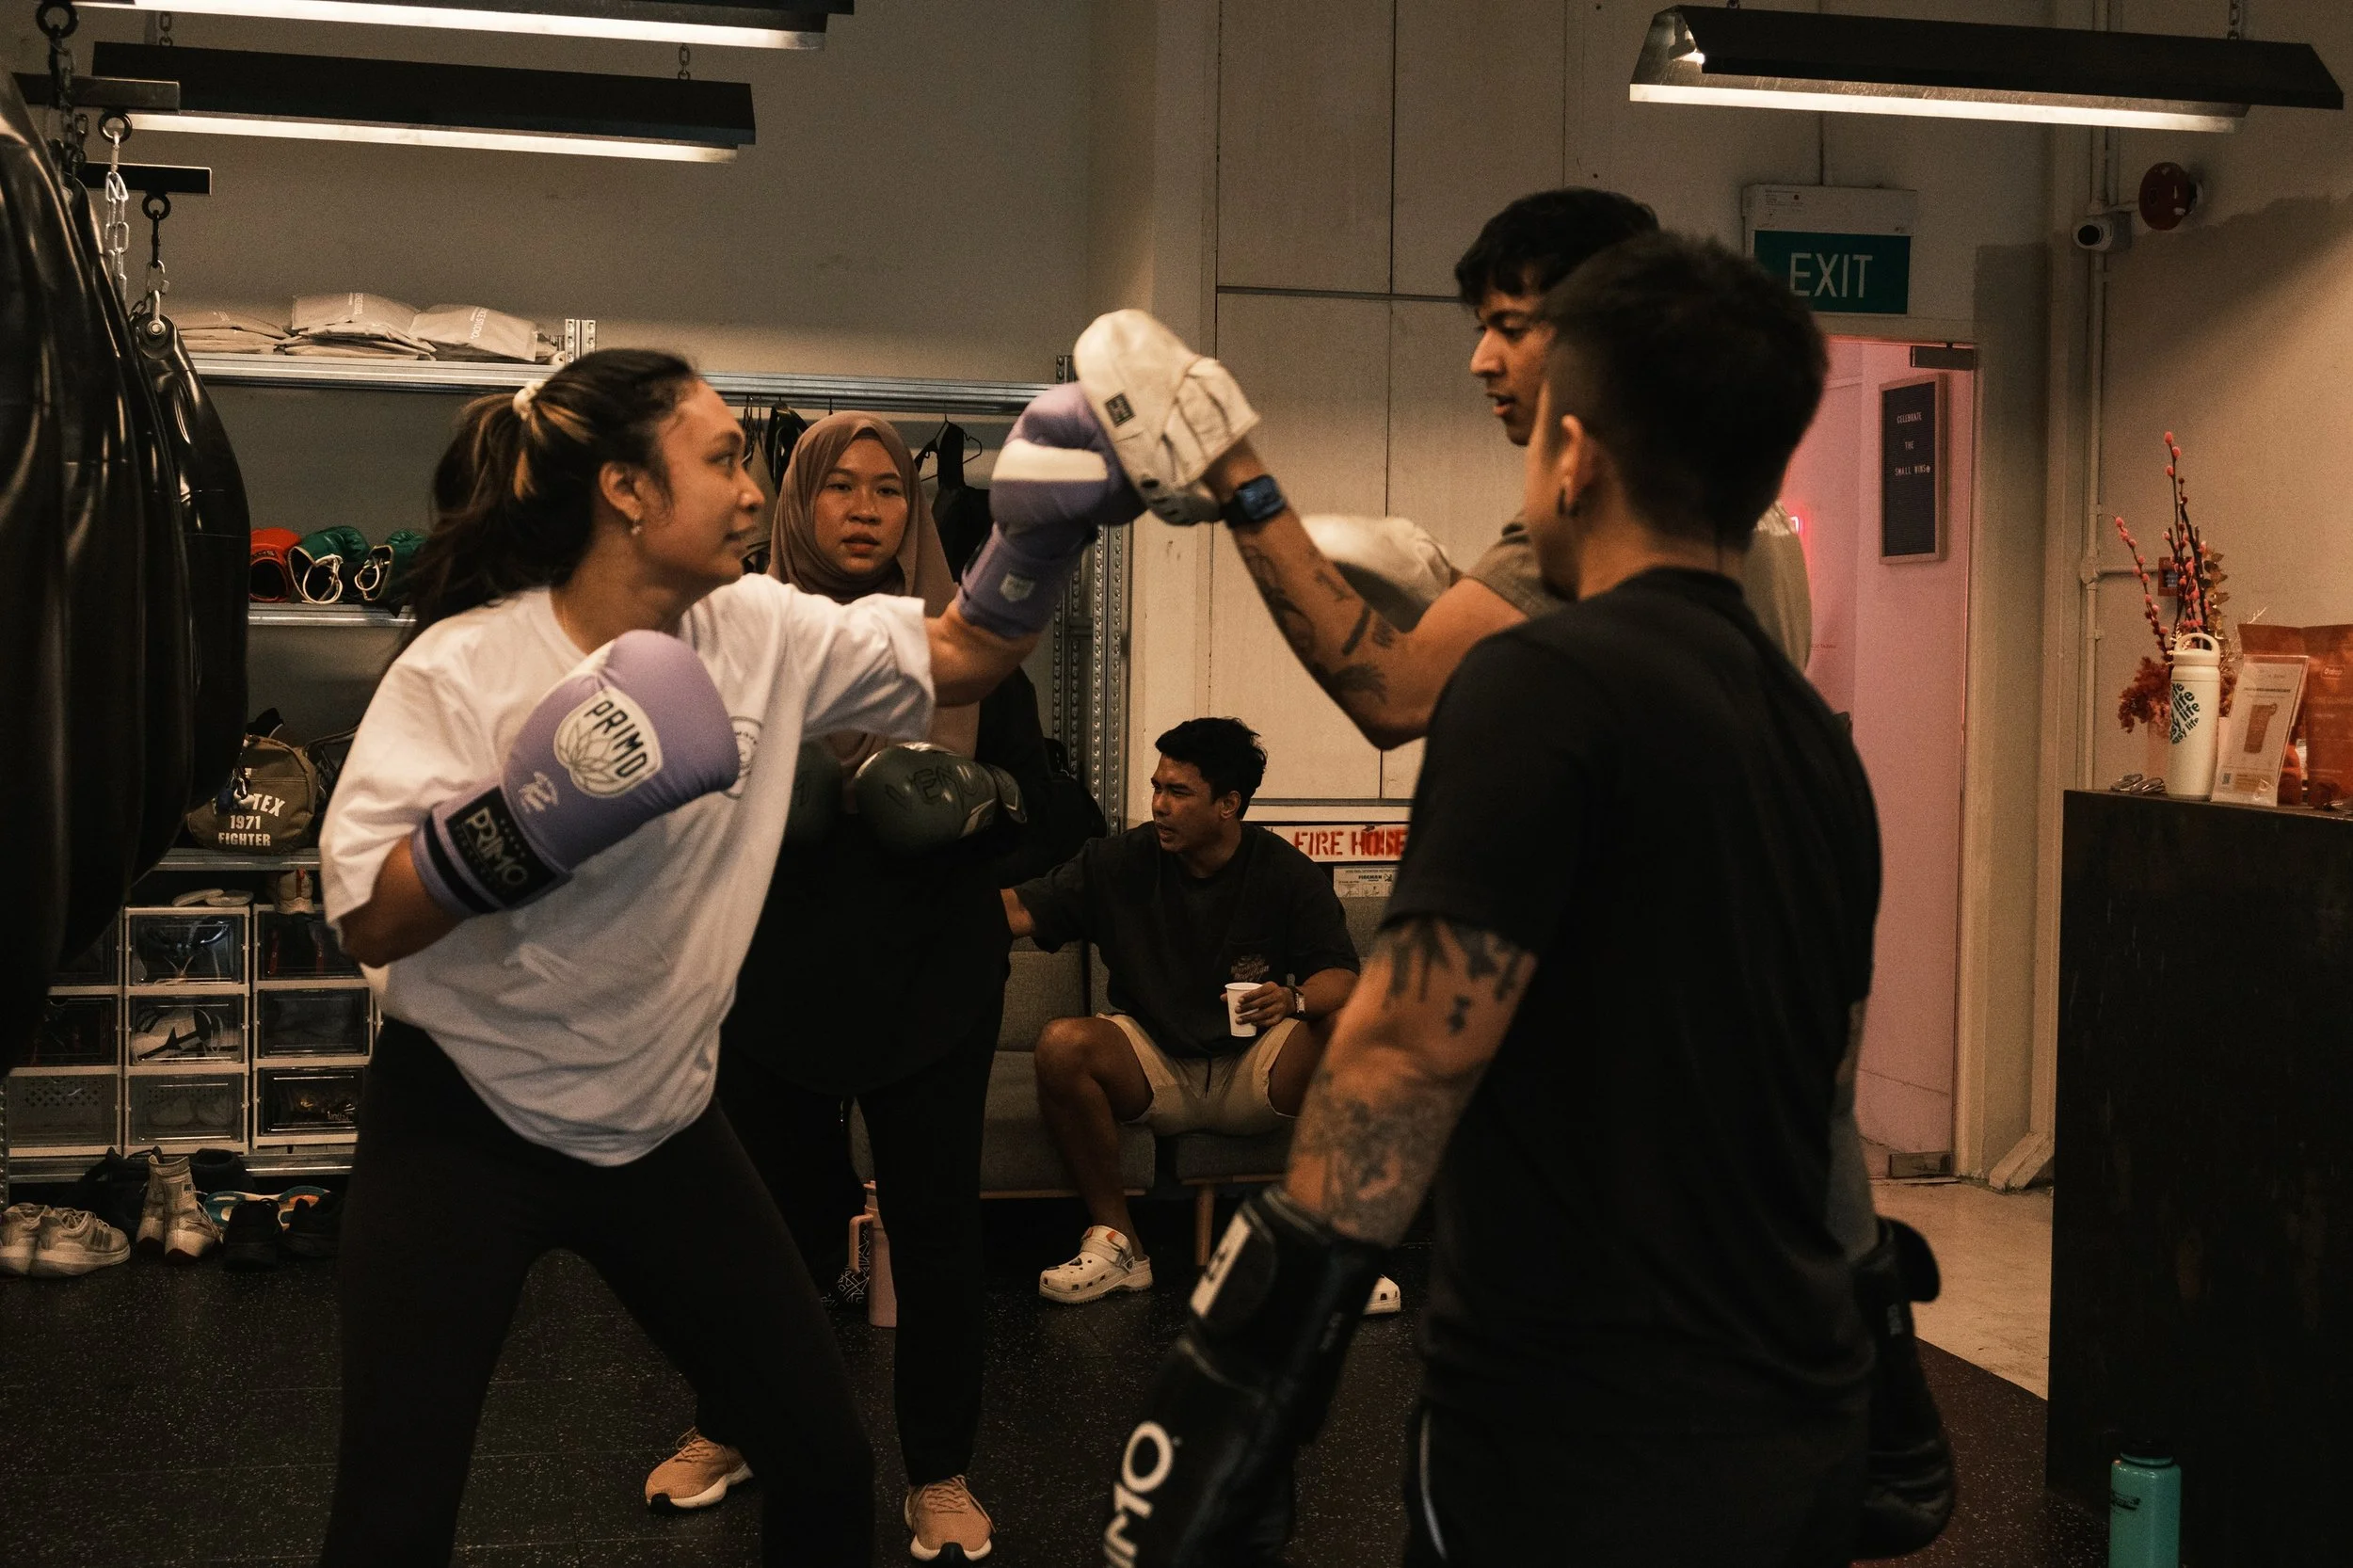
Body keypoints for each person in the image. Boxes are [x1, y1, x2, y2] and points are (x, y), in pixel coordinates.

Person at [1096, 232, 1891, 1567]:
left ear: (1574, 456)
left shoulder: (1543, 690)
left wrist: (1243, 1382)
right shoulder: (1819, 745)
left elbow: (1404, 1059)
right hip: (1787, 1413)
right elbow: (1820, 1085)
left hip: (1574, 1424)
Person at [316, 350, 1139, 1566]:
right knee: (394, 1509)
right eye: (723, 459)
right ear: (627, 492)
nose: (755, 491)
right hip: (465, 1122)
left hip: (658, 1118)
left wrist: (1042, 535)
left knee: (822, 1458)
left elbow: (964, 653)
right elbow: (366, 919)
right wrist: (526, 820)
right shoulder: (469, 664)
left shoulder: (760, 628)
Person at [640, 412, 1078, 1564]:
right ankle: (729, 1424)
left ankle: (939, 1470)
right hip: (770, 977)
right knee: (759, 1229)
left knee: (935, 1235)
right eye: (840, 486)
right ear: (799, 501)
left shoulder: (962, 647)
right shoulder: (738, 639)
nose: (868, 506)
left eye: (889, 488)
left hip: (931, 982)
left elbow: (1050, 815)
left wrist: (981, 798)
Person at [1000, 718, 1378, 1309]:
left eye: (1178, 793)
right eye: (1156, 787)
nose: (1158, 805)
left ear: (1229, 804)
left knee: (1348, 1029)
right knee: (1061, 1043)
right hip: (1153, 1063)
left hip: (1255, 1065)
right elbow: (1019, 910)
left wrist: (1294, 1000)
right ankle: (1119, 1245)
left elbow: (1342, 977)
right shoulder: (1118, 861)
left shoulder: (1283, 871)